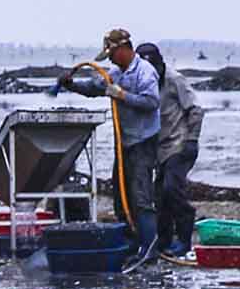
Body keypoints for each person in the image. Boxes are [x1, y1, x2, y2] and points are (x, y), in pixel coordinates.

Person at [60, 32, 201, 259]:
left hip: (144, 142)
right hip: (124, 142)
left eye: (113, 54)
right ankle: (132, 242)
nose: (111, 60)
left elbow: (151, 102)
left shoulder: (145, 73)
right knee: (121, 194)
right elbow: (97, 86)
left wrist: (122, 95)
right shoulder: (117, 72)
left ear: (123, 49)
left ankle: (150, 248)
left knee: (142, 196)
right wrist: (72, 85)